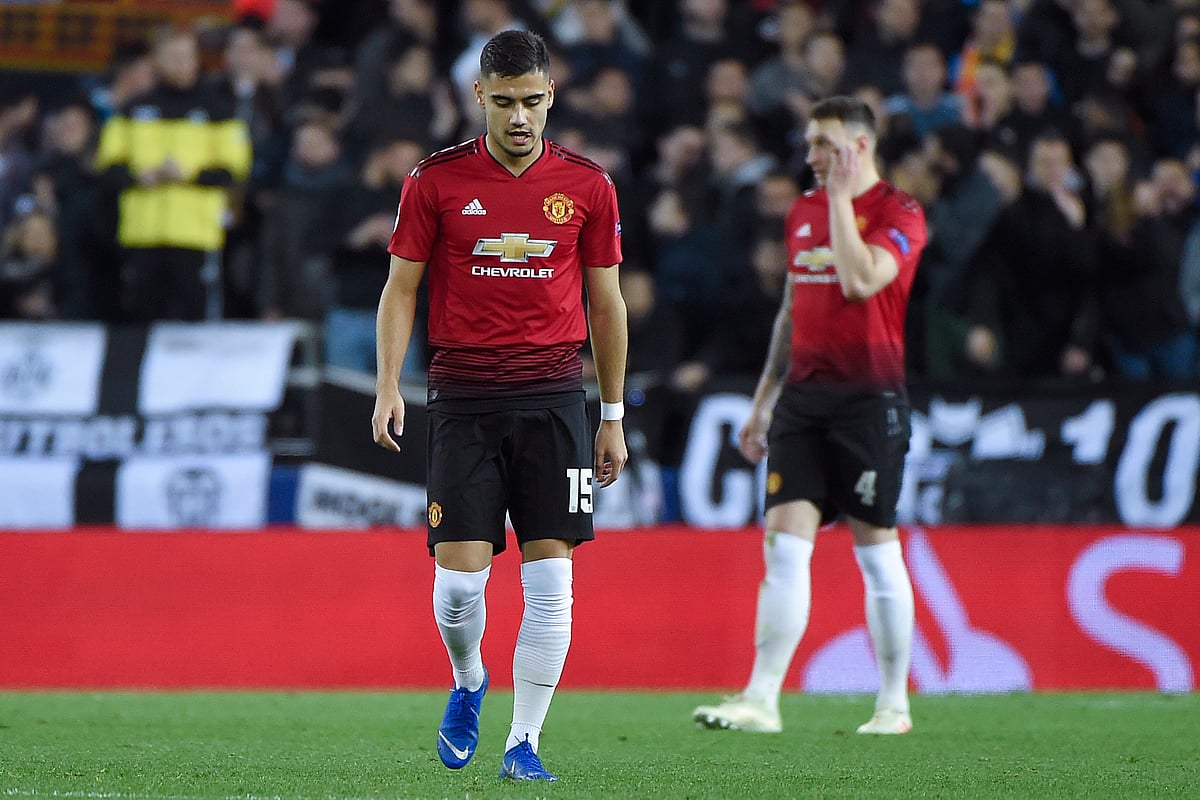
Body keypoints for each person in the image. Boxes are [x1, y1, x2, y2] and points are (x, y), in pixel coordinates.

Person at [371, 29, 628, 782]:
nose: (521, 117)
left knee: (552, 581)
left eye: (534, 101)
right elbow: (401, 288)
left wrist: (610, 415)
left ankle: (525, 744)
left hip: (555, 399)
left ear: (553, 96)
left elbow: (607, 308)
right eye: (506, 101)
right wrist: (390, 382)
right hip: (463, 399)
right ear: (478, 96)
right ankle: (469, 681)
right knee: (458, 590)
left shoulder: (588, 186)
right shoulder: (435, 180)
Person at [691, 95, 927, 735]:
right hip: (803, 400)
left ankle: (893, 704)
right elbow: (794, 312)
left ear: (858, 145)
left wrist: (845, 205)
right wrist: (764, 398)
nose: (811, 157)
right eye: (809, 145)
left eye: (823, 144)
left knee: (876, 552)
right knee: (783, 549)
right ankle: (761, 699)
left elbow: (858, 280)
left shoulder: (899, 212)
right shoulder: (800, 212)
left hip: (868, 401)